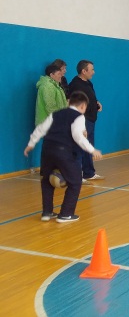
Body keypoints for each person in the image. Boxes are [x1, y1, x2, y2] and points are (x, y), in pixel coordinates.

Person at [24, 91, 103, 223]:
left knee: (46, 181)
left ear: (69, 102)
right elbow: (78, 137)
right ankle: (66, 214)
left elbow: (40, 129)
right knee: (75, 182)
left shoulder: (55, 114)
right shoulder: (79, 117)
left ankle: (47, 212)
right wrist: (92, 150)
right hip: (64, 152)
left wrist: (31, 144)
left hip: (47, 150)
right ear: (83, 106)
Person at [68, 60, 105, 182]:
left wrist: (97, 103)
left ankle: (89, 173)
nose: (94, 72)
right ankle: (76, 175)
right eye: (92, 69)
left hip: (91, 119)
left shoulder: (88, 83)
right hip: (82, 120)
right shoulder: (76, 85)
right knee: (79, 147)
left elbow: (90, 98)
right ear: (84, 71)